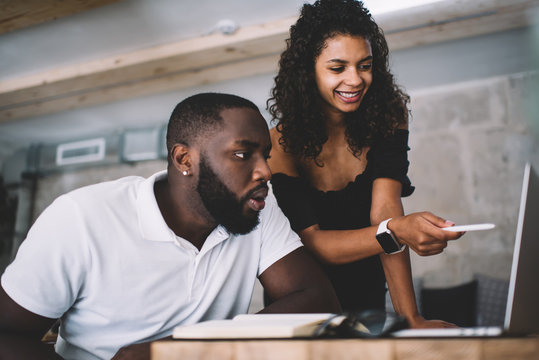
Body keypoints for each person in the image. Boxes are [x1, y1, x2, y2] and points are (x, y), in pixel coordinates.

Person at [0, 93, 340, 360]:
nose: (265, 170)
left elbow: (317, 300)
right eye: (242, 154)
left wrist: (182, 348)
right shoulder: (81, 217)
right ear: (184, 159)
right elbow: (8, 334)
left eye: (265, 155)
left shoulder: (257, 208)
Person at [266, 0, 464, 328]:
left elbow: (385, 210)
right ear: (308, 71)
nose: (355, 80)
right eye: (337, 67)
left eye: (365, 65)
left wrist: (411, 319)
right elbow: (314, 244)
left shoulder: (388, 115)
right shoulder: (280, 143)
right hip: (304, 311)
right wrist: (397, 230)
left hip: (369, 303)